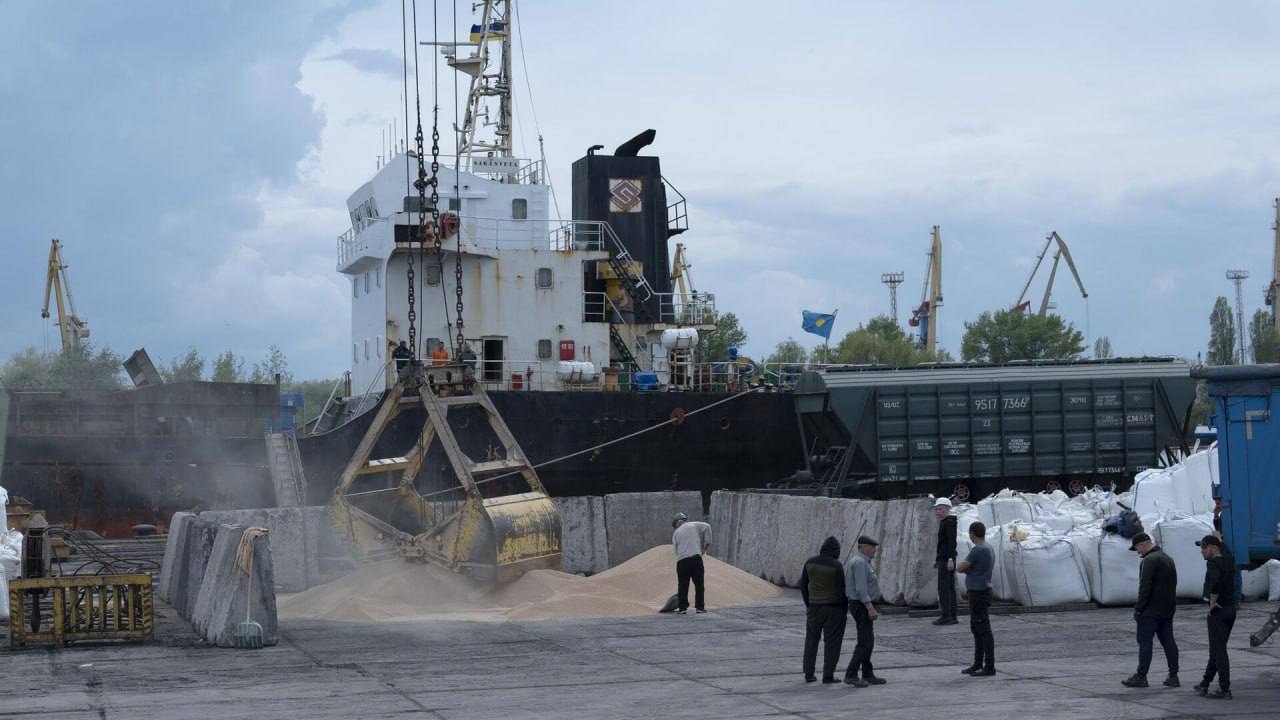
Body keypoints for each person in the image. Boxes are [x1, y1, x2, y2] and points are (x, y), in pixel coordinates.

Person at [1123, 532, 1180, 688]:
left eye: (1137, 548)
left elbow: (1145, 587)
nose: (1137, 552)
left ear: (1143, 544)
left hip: (1150, 610)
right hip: (1167, 609)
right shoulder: (1168, 558)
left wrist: (1139, 608)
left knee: (1145, 643)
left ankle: (1141, 676)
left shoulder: (1149, 560)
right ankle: (1174, 676)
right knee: (1169, 642)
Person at [799, 536, 847, 684]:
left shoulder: (809, 562)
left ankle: (809, 674)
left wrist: (809, 604)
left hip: (814, 607)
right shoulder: (836, 565)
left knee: (811, 641)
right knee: (832, 643)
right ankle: (828, 675)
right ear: (836, 551)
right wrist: (844, 610)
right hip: (833, 609)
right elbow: (841, 590)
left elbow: (803, 585)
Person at [1195, 534, 1235, 700]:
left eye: (1203, 548)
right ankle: (1205, 683)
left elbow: (1216, 582)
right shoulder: (1228, 559)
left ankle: (1224, 689)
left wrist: (1212, 600)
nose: (1202, 552)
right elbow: (1226, 550)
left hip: (1217, 611)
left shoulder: (1213, 563)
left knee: (1219, 652)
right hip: (1231, 610)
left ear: (1212, 548)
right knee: (1217, 650)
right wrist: (1220, 539)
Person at [956, 521, 996, 676]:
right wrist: (969, 569)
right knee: (977, 629)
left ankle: (989, 666)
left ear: (972, 533)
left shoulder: (978, 549)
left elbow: (960, 567)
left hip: (978, 592)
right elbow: (974, 569)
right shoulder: (989, 547)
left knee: (983, 629)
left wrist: (965, 568)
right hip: (982, 589)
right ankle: (978, 663)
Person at [844, 535, 885, 687]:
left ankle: (867, 673)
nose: (874, 550)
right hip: (861, 605)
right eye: (872, 547)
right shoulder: (860, 563)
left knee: (869, 641)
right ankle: (851, 674)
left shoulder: (862, 562)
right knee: (864, 642)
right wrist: (870, 607)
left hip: (861, 604)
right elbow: (861, 589)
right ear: (863, 547)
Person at [671, 512, 711, 615]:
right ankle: (700, 608)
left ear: (676, 523)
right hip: (695, 559)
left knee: (683, 585)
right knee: (699, 584)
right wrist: (706, 544)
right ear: (685, 520)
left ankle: (682, 608)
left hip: (682, 562)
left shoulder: (675, 533)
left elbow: (676, 550)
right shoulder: (693, 525)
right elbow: (707, 526)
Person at [933, 497, 959, 626]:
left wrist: (950, 559)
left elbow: (951, 542)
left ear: (948, 509)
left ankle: (946, 616)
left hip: (947, 559)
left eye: (941, 509)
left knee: (944, 588)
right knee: (949, 587)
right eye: (937, 509)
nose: (938, 511)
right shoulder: (946, 522)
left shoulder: (948, 522)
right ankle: (952, 616)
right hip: (944, 558)